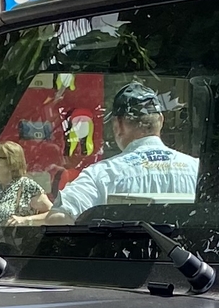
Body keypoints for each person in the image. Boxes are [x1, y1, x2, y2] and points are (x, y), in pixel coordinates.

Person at [19, 81, 197, 221]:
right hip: (191, 266)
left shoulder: (102, 175)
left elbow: (59, 218)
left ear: (118, 125)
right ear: (161, 120)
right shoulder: (197, 170)